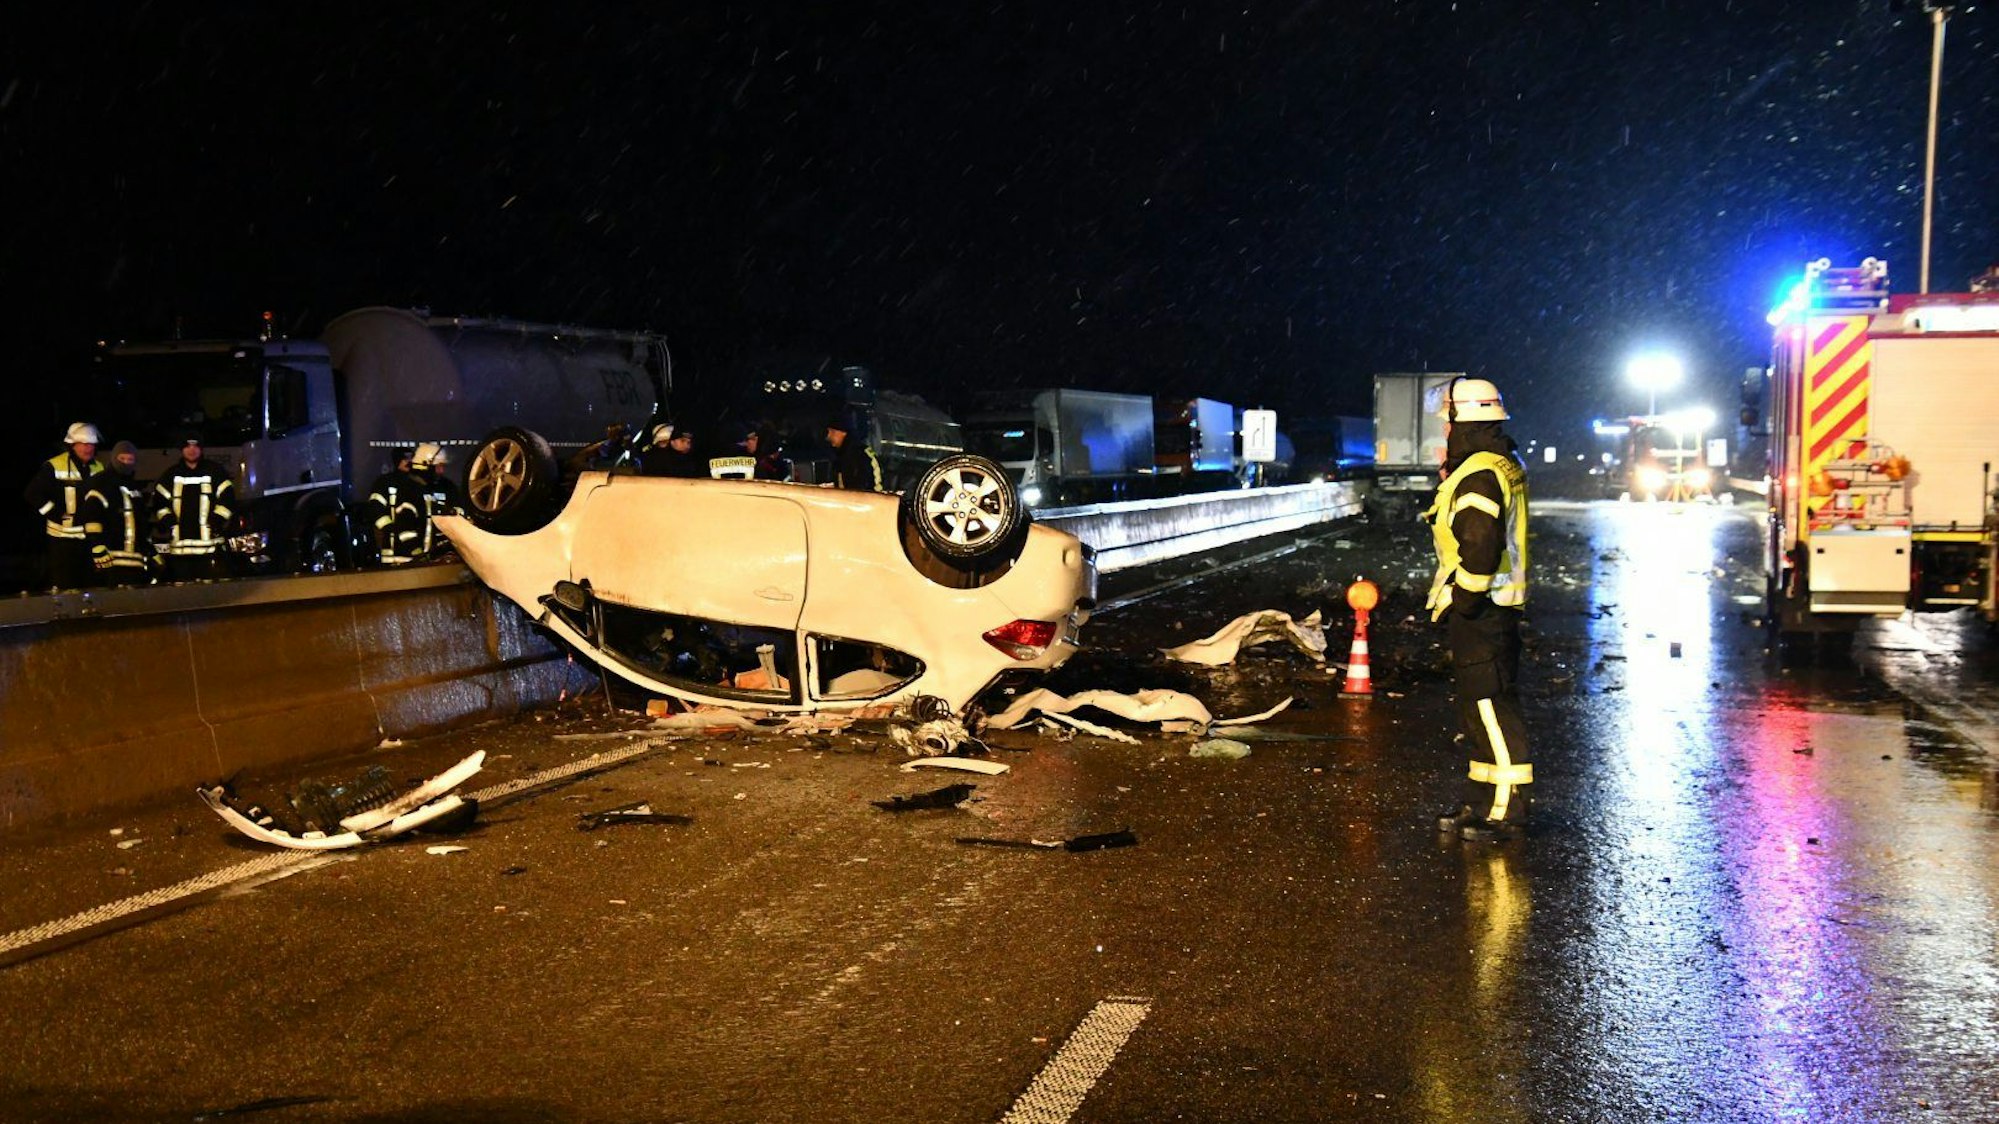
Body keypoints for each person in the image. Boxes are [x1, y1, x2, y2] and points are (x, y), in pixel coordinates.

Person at [1426, 377, 1534, 842]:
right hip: (1494, 610)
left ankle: (1507, 811)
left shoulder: (1477, 473)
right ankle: (1481, 800)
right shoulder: (1498, 462)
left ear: (1459, 420)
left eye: (1446, 420)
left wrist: (1465, 597)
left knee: (1490, 708)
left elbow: (1480, 545)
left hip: (1483, 611)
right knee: (1478, 710)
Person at [22, 421, 105, 590]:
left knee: (90, 587)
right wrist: (55, 514)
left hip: (89, 539)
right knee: (65, 586)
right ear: (72, 445)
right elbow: (32, 493)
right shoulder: (53, 466)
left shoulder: (99, 467)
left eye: (91, 444)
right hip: (62, 541)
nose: (88, 448)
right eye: (83, 444)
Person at [153, 435, 235, 582]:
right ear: (181, 449)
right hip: (180, 552)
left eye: (195, 446)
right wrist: (169, 522)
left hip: (210, 549)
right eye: (187, 446)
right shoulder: (170, 475)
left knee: (211, 593)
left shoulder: (215, 472)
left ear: (201, 449)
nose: (192, 450)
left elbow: (228, 500)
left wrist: (216, 521)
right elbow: (159, 503)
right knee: (182, 594)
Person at [370, 442, 459, 564]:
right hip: (401, 557)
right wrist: (390, 530)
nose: (441, 471)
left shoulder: (437, 487)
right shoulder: (392, 484)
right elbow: (377, 511)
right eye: (405, 458)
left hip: (425, 559)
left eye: (411, 458)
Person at [82, 440, 153, 586]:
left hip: (134, 560)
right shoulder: (101, 483)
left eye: (130, 459)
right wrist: (97, 545)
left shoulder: (134, 488)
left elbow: (141, 523)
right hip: (108, 559)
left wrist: (150, 551)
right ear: (114, 458)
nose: (126, 463)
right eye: (122, 459)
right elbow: (92, 517)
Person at [824, 409, 883, 492]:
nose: (829, 436)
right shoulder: (839, 457)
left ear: (844, 433)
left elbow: (865, 487)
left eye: (833, 432)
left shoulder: (862, 455)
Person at [640, 424, 706, 479]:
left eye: (689, 442)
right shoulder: (655, 458)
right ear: (671, 441)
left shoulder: (690, 461)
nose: (687, 445)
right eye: (682, 440)